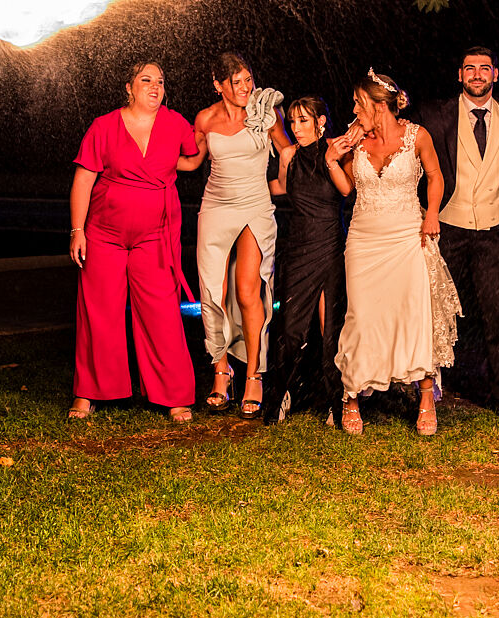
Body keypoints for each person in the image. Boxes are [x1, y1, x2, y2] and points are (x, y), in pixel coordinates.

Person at [69, 61, 205, 422]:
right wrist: (77, 230)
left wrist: (208, 134)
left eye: (160, 81)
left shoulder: (174, 123)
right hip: (104, 233)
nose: (155, 86)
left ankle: (174, 395)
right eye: (146, 80)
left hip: (155, 235)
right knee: (99, 311)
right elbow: (84, 179)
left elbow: (190, 160)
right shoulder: (104, 126)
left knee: (162, 313)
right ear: (128, 88)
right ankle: (88, 393)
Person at [325, 70, 458, 436]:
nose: (354, 109)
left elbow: (436, 176)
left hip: (407, 237)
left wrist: (432, 213)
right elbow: (347, 189)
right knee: (362, 318)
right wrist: (333, 159)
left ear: (378, 105)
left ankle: (426, 396)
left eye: (358, 103)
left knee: (413, 315)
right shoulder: (356, 138)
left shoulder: (417, 136)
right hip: (364, 241)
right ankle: (351, 395)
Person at [415, 47, 499, 414]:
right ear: (460, 74)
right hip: (448, 229)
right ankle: (431, 388)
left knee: (496, 317)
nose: (477, 74)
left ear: (496, 74)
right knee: (437, 311)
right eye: (470, 68)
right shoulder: (435, 114)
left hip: (495, 233)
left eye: (484, 68)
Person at [191, 52, 287, 416]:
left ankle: (254, 375)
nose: (246, 87)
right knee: (212, 291)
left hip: (255, 206)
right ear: (218, 85)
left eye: (249, 79)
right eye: (236, 82)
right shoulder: (205, 119)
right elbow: (192, 160)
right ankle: (221, 370)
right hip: (216, 206)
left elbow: (288, 150)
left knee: (248, 291)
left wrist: (285, 184)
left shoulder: (265, 111)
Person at [266, 96, 347, 424]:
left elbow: (348, 190)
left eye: (303, 120)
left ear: (320, 121)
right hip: (299, 248)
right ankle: (282, 393)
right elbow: (280, 188)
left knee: (331, 329)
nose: (296, 128)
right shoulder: (289, 155)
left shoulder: (335, 149)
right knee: (291, 328)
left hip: (329, 246)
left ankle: (336, 399)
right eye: (293, 121)